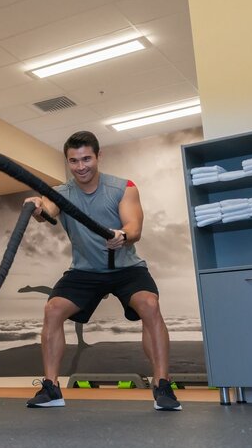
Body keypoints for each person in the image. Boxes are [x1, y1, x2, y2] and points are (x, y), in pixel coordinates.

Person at [23, 130, 180, 411]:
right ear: (67, 163)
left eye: (86, 159)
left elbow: (135, 228)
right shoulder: (61, 193)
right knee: (53, 309)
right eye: (73, 161)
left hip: (124, 267)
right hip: (84, 271)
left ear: (98, 156)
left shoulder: (123, 187)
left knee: (150, 304)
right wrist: (36, 207)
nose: (81, 166)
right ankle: (51, 388)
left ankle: (162, 385)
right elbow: (48, 211)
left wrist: (123, 234)